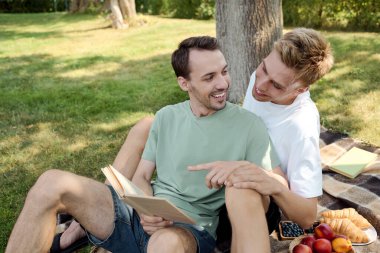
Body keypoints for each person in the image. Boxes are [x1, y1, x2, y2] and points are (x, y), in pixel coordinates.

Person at [50, 28, 334, 253]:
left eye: (276, 85)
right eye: (263, 69)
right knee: (145, 126)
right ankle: (90, 220)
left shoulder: (301, 127)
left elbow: (307, 216)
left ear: (301, 88)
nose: (260, 85)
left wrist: (254, 174)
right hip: (227, 171)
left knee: (240, 184)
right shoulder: (261, 80)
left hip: (256, 198)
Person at [6, 36, 282, 253]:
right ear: (184, 83)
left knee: (164, 245)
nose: (223, 82)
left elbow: (274, 187)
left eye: (224, 71)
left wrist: (244, 173)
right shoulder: (166, 117)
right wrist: (145, 208)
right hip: (139, 218)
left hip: (187, 231)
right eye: (209, 78)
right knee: (51, 182)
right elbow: (141, 175)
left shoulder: (249, 126)